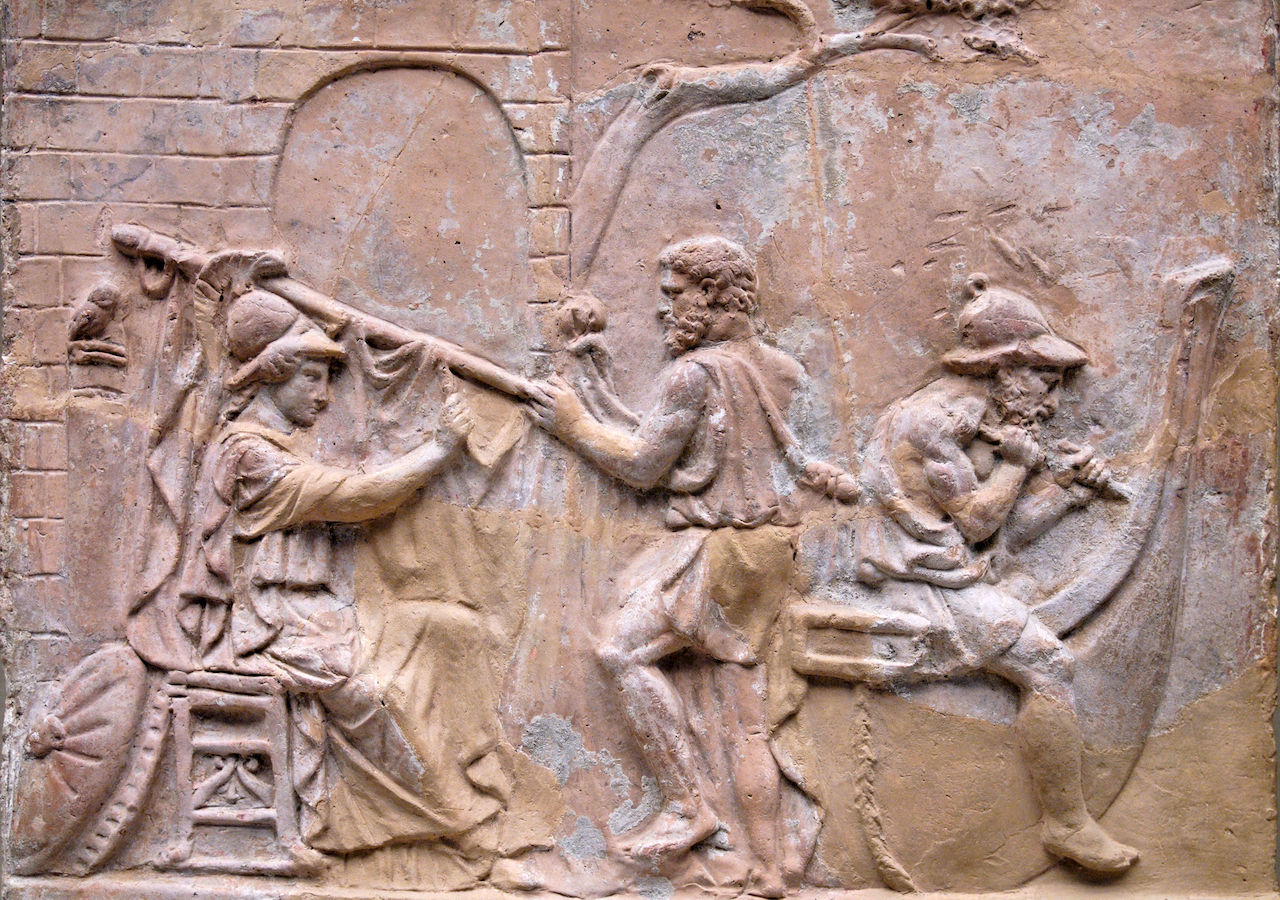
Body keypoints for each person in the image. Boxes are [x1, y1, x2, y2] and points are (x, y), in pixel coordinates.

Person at [527, 236, 823, 894]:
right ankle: (770, 867)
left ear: (711, 294)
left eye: (673, 294)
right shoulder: (783, 370)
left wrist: (574, 425)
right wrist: (597, 389)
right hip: (771, 553)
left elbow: (643, 464)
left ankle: (689, 804)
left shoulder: (693, 375)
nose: (663, 310)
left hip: (721, 552)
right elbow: (686, 437)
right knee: (747, 720)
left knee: (622, 650)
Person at [851, 273, 1139, 875]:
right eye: (1046, 381)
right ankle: (1067, 825)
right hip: (917, 589)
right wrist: (1017, 467)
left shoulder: (976, 422)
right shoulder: (931, 423)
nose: (1052, 402)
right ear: (1005, 368)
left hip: (951, 575)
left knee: (1034, 620)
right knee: (1049, 663)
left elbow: (1007, 533)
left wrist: (1067, 489)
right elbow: (980, 522)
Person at [178, 287, 480, 861]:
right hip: (270, 626)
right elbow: (357, 498)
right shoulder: (250, 456)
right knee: (380, 693)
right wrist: (440, 449)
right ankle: (448, 820)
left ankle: (474, 788)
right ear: (273, 375)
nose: (324, 394)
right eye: (312, 378)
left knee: (447, 628)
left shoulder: (278, 448)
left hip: (314, 613)